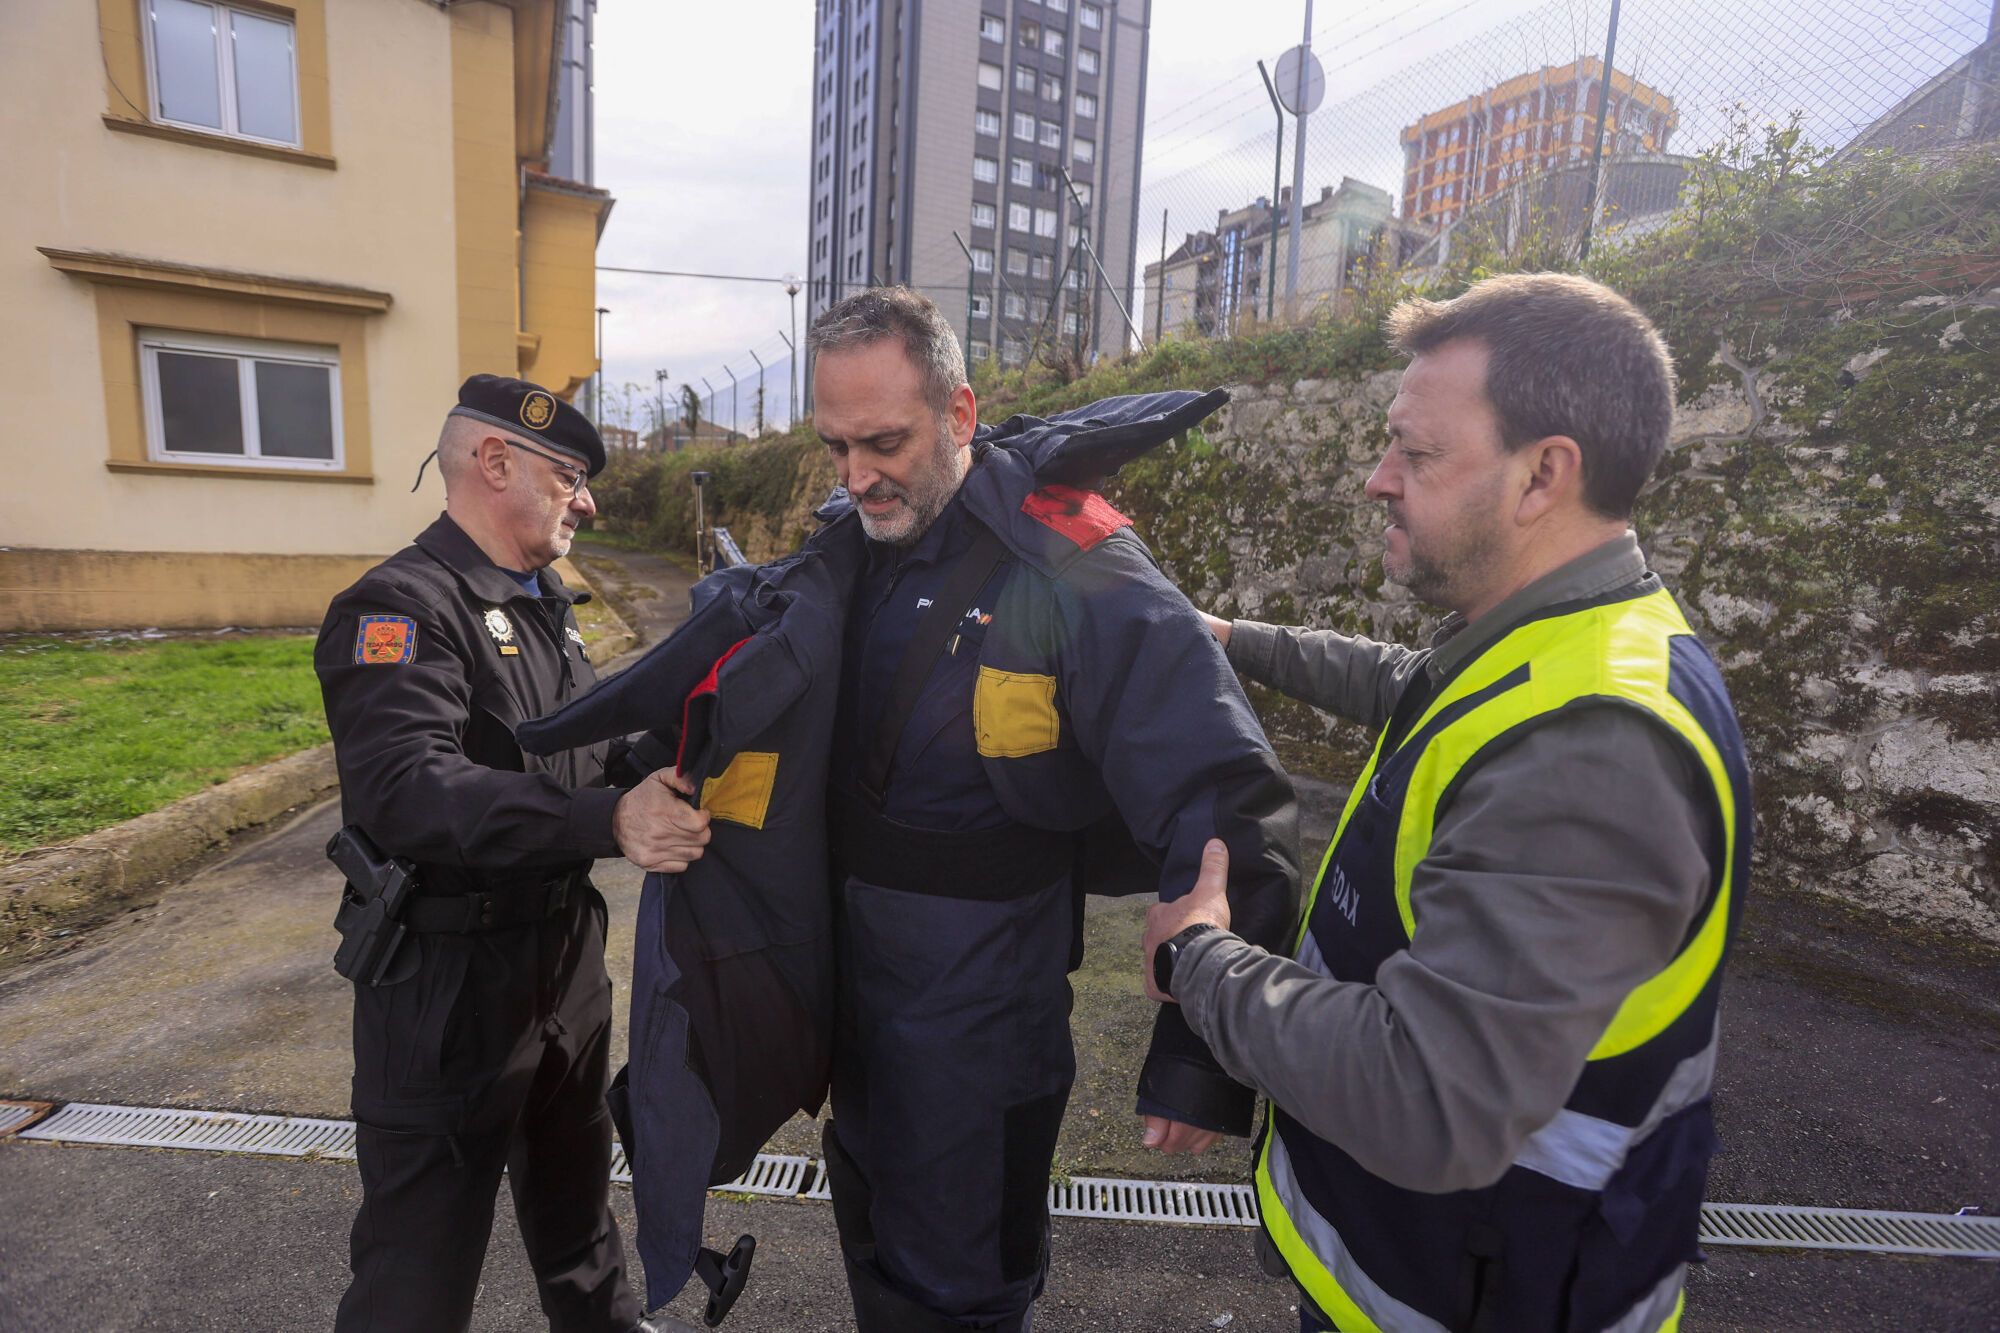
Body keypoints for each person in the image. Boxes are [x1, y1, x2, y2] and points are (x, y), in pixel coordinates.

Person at [1144, 273, 1752, 1333]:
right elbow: (1405, 684)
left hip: (1478, 1294)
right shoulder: (1553, 639)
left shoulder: (1593, 750)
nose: (1377, 480)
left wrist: (1196, 961)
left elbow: (1428, 1096)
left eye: (1415, 453)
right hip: (1433, 1268)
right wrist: (1234, 642)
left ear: (1540, 475)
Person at [808, 288, 1301, 1332]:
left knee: (961, 1294)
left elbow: (1223, 805)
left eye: (884, 441)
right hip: (850, 1013)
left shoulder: (1073, 563)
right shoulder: (850, 547)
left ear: (960, 413)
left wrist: (1201, 1059)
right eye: (835, 447)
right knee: (875, 1260)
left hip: (979, 1038)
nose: (857, 476)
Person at [314, 374, 709, 1333]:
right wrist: (608, 822)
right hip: (447, 987)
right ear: (494, 462)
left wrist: (698, 722)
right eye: (569, 475)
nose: (590, 500)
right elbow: (411, 791)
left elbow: (585, 746)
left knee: (579, 1216)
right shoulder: (398, 608)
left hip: (563, 967)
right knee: (417, 1266)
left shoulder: (541, 601)